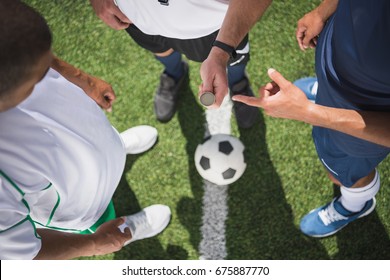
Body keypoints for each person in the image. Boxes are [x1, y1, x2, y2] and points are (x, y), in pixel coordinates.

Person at [0, 0, 171, 260]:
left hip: (92, 134)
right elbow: (24, 252)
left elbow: (22, 47)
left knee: (101, 142)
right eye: (37, 79)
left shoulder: (15, 58)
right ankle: (122, 226)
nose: (46, 75)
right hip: (81, 201)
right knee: (101, 216)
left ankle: (115, 147)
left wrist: (82, 79)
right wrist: (97, 243)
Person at [233, 0, 390, 237]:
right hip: (338, 62)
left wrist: (309, 112)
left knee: (342, 173)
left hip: (363, 118)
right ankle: (324, 91)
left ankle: (354, 205)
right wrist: (323, 11)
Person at [89, 0, 272, 128]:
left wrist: (222, 49)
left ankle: (237, 83)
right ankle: (175, 73)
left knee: (230, 62)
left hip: (212, 25)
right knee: (162, 51)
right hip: (136, 15)